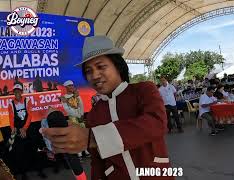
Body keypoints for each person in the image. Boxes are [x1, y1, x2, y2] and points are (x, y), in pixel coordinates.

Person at [40, 36, 173, 180]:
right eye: (88, 71)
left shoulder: (144, 89)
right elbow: (97, 162)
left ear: (118, 66)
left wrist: (93, 137)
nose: (95, 75)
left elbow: (156, 124)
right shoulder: (94, 113)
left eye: (101, 66)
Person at [8, 84, 32, 180]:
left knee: (29, 149)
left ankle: (29, 170)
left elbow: (30, 116)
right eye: (15, 91)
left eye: (19, 91)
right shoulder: (11, 104)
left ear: (22, 92)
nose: (17, 93)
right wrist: (13, 128)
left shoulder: (27, 101)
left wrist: (25, 129)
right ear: (13, 92)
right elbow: (11, 118)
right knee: (18, 151)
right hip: (17, 129)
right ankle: (21, 172)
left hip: (27, 128)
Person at [61, 80, 89, 158]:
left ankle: (86, 150)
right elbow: (67, 109)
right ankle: (79, 152)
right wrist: (77, 115)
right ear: (66, 87)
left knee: (83, 133)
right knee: (76, 135)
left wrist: (81, 114)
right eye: (70, 85)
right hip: (73, 117)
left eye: (72, 85)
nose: (72, 87)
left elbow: (81, 104)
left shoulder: (77, 94)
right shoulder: (64, 97)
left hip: (80, 116)